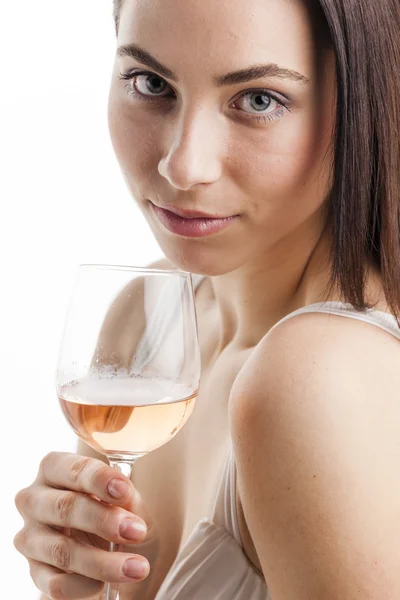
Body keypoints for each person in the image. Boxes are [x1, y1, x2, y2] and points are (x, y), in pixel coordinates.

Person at [14, 0, 400, 598]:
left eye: (258, 100)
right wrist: (76, 579)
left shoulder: (315, 381)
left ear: (358, 101)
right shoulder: (146, 320)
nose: (183, 165)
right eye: (151, 83)